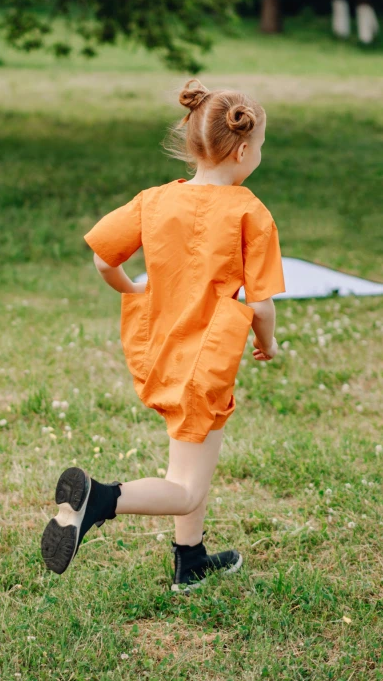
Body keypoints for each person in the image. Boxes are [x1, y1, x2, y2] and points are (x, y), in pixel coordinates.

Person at [40, 79, 286, 593]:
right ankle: (99, 500)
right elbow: (261, 304)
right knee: (187, 488)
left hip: (160, 349)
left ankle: (190, 560)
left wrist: (133, 287)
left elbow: (103, 258)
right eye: (260, 146)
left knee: (191, 454)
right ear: (243, 149)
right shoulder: (250, 212)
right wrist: (270, 342)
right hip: (207, 359)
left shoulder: (154, 201)